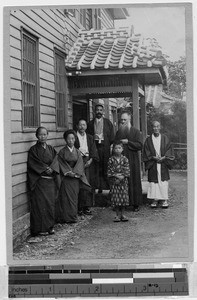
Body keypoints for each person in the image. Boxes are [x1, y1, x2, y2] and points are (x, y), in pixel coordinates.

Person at [27, 127, 59, 237]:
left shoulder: (51, 148)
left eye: (45, 134)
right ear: (37, 136)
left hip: (50, 183)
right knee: (40, 205)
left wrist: (52, 168)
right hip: (40, 181)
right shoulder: (33, 150)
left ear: (48, 135)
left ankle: (50, 227)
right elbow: (33, 163)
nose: (43, 137)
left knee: (50, 204)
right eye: (40, 135)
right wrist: (46, 169)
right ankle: (40, 229)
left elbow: (56, 160)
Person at [58, 129, 91, 223]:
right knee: (66, 198)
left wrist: (75, 173)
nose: (71, 141)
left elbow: (80, 163)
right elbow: (61, 163)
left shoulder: (77, 152)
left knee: (74, 197)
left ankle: (73, 216)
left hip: (75, 177)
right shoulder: (62, 152)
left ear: (75, 139)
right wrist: (69, 172)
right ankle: (66, 217)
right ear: (65, 140)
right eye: (69, 139)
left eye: (73, 138)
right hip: (66, 178)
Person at [143, 121, 174, 208]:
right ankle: (155, 200)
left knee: (163, 181)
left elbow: (169, 149)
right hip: (153, 163)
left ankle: (164, 200)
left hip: (163, 163)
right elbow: (146, 151)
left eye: (157, 126)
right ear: (152, 128)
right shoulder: (148, 140)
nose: (156, 128)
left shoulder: (165, 138)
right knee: (154, 182)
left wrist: (164, 157)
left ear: (160, 127)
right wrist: (153, 157)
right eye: (154, 127)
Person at [115, 111, 143, 211]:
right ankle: (123, 203)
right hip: (121, 161)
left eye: (125, 119)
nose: (123, 122)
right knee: (122, 181)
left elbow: (140, 145)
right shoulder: (119, 132)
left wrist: (128, 142)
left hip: (133, 160)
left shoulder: (136, 131)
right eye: (121, 120)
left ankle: (135, 204)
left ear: (129, 119)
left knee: (134, 181)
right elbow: (115, 145)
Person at [86, 104, 114, 192]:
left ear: (103, 112)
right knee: (95, 168)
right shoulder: (90, 124)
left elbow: (112, 136)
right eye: (97, 110)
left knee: (105, 167)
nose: (99, 112)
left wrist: (107, 143)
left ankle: (105, 187)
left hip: (104, 148)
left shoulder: (108, 122)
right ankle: (95, 187)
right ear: (94, 111)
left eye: (100, 110)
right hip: (95, 148)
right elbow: (88, 137)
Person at [76, 119, 99, 216]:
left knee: (88, 184)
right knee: (79, 184)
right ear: (77, 126)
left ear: (86, 126)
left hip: (88, 161)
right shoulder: (74, 137)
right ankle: (79, 207)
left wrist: (90, 160)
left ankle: (87, 206)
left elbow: (93, 150)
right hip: (77, 162)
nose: (82, 127)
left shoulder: (89, 137)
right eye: (80, 125)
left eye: (84, 125)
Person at [107, 141, 130, 222]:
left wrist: (122, 177)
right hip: (114, 181)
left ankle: (123, 214)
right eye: (116, 148)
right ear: (113, 149)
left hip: (123, 181)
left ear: (122, 149)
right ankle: (117, 215)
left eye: (119, 148)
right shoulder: (111, 160)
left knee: (123, 198)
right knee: (115, 198)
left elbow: (127, 170)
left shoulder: (125, 159)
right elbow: (110, 170)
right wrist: (116, 176)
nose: (117, 150)